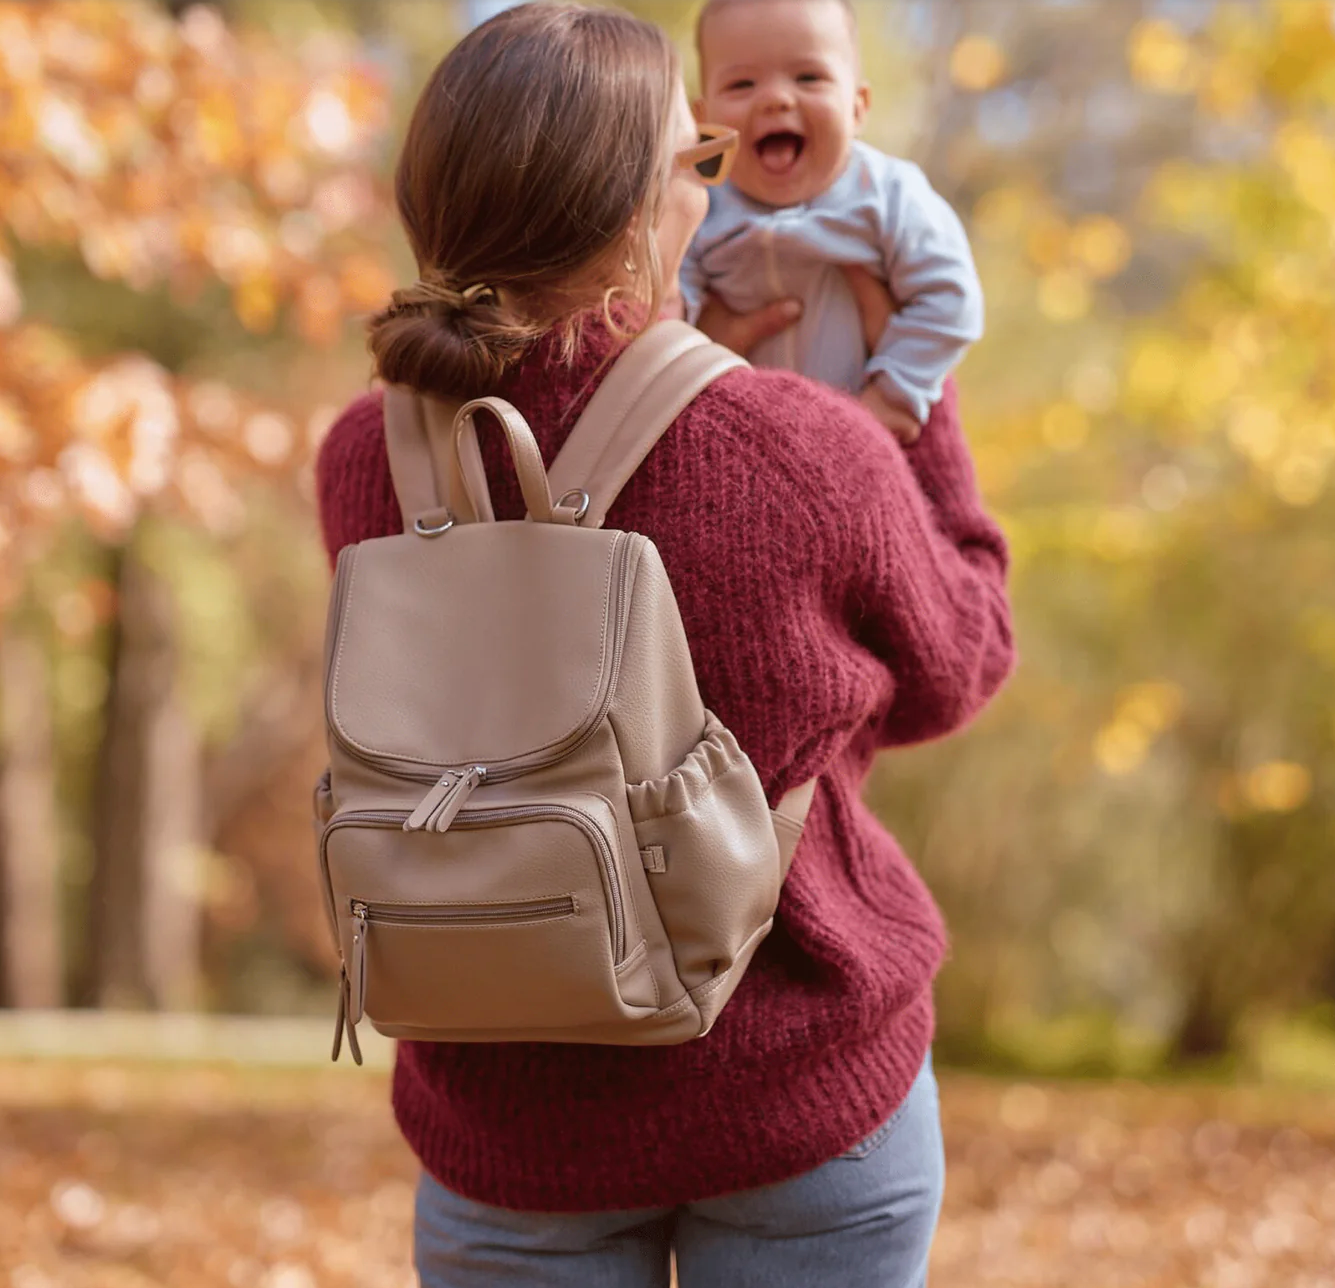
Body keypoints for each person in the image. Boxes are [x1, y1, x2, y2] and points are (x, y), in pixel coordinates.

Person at [314, 5, 1013, 1285]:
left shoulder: (370, 456)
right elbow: (955, 663)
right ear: (639, 214)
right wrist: (913, 382)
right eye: (692, 169)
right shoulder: (802, 448)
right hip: (796, 1096)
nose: (709, 194)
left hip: (502, 1119)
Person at [683, 0, 984, 443]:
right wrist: (690, 348)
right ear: (704, 122)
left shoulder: (886, 193)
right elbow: (662, 306)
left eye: (809, 77)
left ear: (858, 107)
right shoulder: (697, 205)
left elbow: (951, 297)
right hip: (733, 440)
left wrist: (894, 393)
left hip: (858, 434)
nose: (775, 98)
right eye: (742, 83)